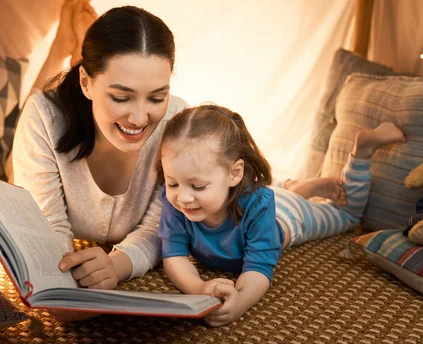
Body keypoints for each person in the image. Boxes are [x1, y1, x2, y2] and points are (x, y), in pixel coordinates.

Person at [157, 104, 406, 327]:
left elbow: (258, 266)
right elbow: (174, 255)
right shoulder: (176, 201)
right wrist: (198, 287)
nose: (184, 197)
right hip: (258, 194)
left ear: (235, 174)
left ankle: (362, 152)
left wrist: (240, 302)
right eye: (173, 183)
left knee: (348, 216)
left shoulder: (260, 204)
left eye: (198, 186)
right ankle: (297, 187)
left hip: (290, 216)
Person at [13, 2, 189, 301]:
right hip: (48, 125)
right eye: (122, 97)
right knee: (11, 173)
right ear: (86, 82)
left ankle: (78, 53)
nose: (139, 118)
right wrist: (59, 270)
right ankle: (63, 50)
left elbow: (162, 228)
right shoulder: (44, 115)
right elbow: (47, 226)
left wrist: (117, 265)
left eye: (157, 97)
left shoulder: (176, 121)